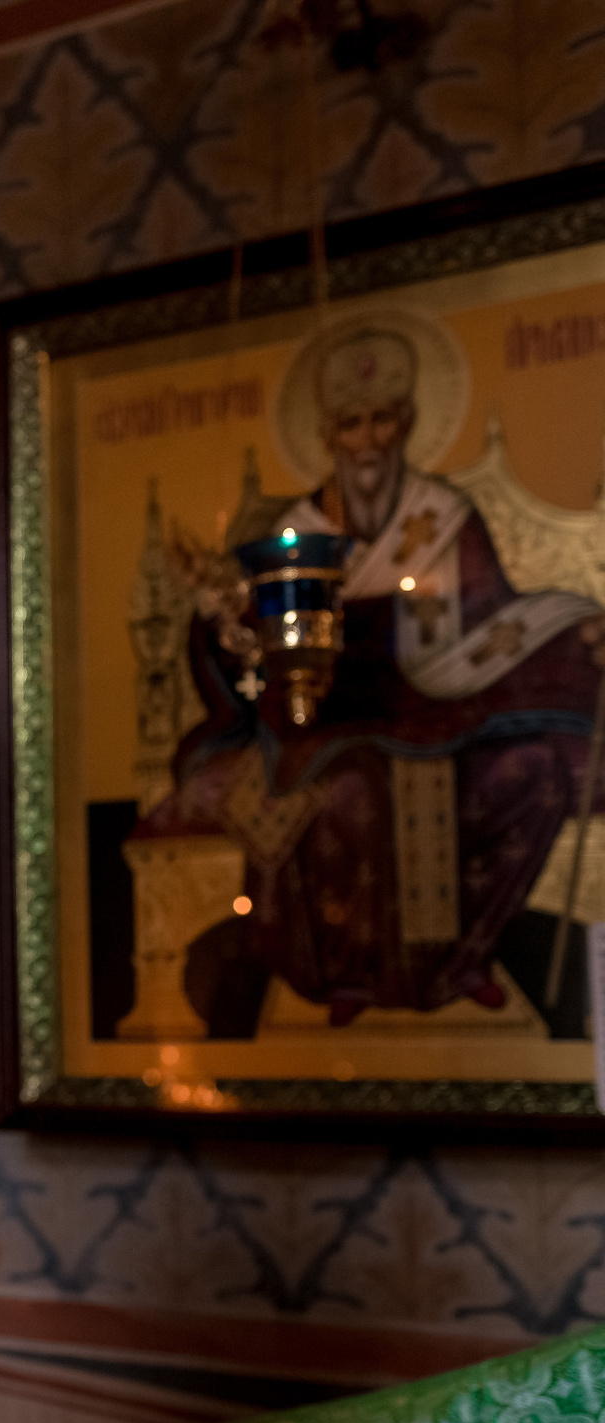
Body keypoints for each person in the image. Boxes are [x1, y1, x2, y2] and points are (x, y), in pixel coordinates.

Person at [138, 324, 603, 1026]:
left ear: (408, 424)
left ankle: (462, 959)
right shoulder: (294, 536)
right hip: (334, 728)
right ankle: (350, 973)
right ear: (328, 435)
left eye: (383, 420)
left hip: (450, 715)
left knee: (533, 773)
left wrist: (577, 632)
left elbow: (498, 619)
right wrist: (229, 622)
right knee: (348, 791)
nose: (368, 441)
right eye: (351, 424)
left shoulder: (445, 520)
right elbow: (251, 647)